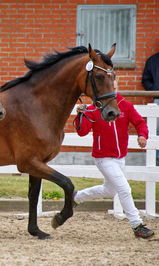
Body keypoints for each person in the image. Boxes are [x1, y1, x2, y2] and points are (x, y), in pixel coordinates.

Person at [73, 81, 154, 239]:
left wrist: (142, 135)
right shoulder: (93, 108)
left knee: (110, 190)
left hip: (120, 158)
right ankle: (137, 225)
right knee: (124, 189)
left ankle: (76, 197)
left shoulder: (125, 105)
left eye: (113, 88)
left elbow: (140, 123)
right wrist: (81, 115)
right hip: (103, 158)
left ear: (116, 88)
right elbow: (82, 132)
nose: (110, 91)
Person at [142, 52, 159, 165]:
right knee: (156, 131)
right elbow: (145, 80)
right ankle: (156, 160)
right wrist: (155, 89)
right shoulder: (153, 60)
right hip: (158, 99)